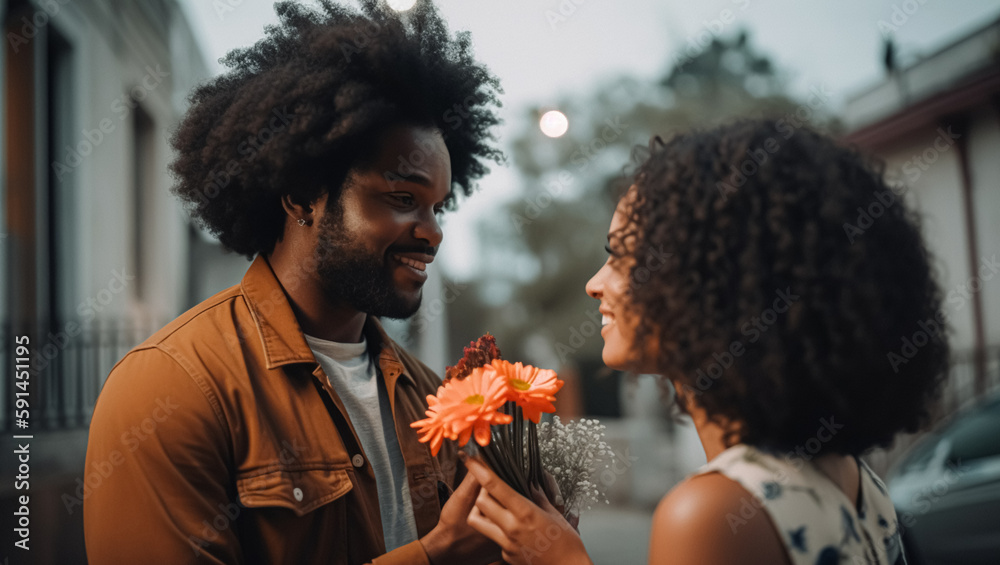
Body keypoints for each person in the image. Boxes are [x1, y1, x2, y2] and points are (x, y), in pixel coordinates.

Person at [83, 1, 504, 563]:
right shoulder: (171, 388)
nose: (432, 234)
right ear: (303, 196)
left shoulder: (428, 396)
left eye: (437, 207)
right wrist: (438, 554)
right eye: (403, 199)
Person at [464, 119, 949, 565]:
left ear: (706, 277)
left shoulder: (712, 515)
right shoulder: (859, 482)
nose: (595, 284)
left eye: (621, 255)